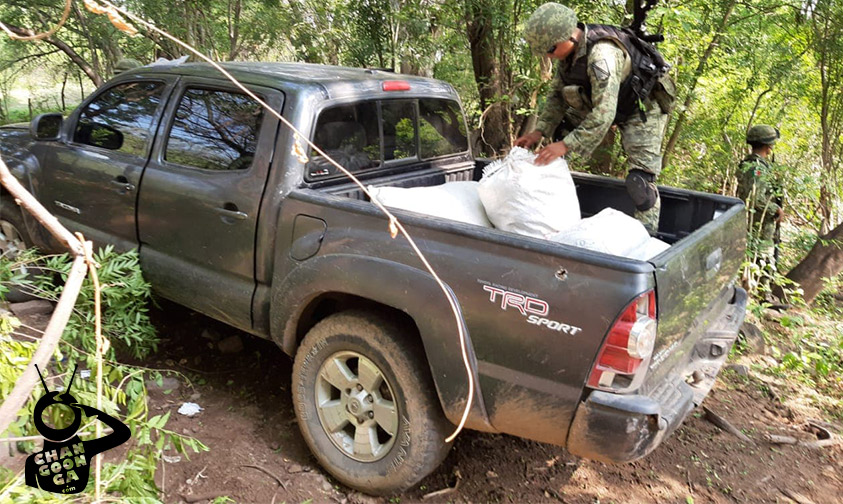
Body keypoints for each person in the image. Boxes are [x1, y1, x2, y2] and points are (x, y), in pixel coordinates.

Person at [516, 2, 674, 234]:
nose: (548, 56)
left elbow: (604, 114)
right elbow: (557, 97)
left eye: (549, 50)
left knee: (640, 182)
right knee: (557, 137)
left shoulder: (602, 56)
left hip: (642, 108)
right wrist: (540, 131)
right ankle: (549, 212)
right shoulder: (569, 56)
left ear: (567, 37)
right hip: (606, 103)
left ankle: (645, 240)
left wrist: (566, 146)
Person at [736, 124, 783, 271]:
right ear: (768, 146)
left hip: (753, 222)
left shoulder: (750, 163)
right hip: (759, 225)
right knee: (763, 260)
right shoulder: (757, 167)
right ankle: (763, 291)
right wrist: (776, 209)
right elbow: (756, 199)